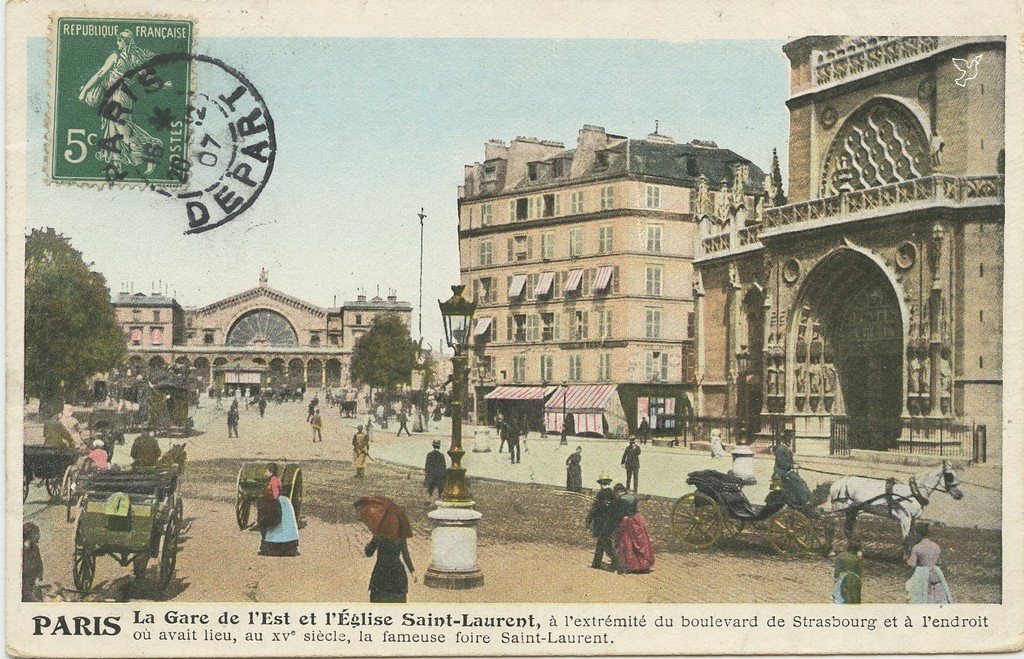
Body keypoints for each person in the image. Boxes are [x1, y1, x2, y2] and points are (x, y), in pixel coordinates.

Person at [77, 31, 166, 175]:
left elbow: (100, 74)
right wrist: (162, 85)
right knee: (113, 128)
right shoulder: (135, 58)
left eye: (119, 40)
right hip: (118, 96)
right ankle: (117, 164)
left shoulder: (115, 56)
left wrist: (84, 91)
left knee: (122, 128)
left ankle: (150, 150)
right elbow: (147, 78)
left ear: (124, 41)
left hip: (119, 94)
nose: (117, 43)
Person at [256, 463, 300, 556]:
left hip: (278, 503)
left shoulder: (274, 480)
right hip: (281, 502)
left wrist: (267, 498)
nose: (265, 473)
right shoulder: (275, 479)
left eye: (267, 471)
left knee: (277, 523)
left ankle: (276, 547)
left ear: (271, 472)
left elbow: (275, 495)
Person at [906, 524, 952, 604]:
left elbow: (912, 565)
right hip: (936, 573)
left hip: (922, 575)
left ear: (917, 534)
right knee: (937, 597)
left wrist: (907, 560)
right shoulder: (936, 546)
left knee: (918, 597)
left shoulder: (917, 547)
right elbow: (939, 562)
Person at [613, 483, 654, 573]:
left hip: (626, 521)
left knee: (627, 544)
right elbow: (635, 510)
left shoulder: (618, 498)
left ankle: (630, 566)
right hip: (637, 520)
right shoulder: (633, 496)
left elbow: (619, 513)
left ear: (617, 491)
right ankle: (644, 565)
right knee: (640, 543)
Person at [586, 473, 622, 572]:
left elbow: (595, 508)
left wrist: (588, 520)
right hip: (610, 524)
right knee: (600, 543)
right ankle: (596, 563)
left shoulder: (601, 494)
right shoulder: (613, 495)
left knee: (607, 545)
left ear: (601, 483)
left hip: (602, 524)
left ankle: (619, 565)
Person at [365, 535, 415, 603]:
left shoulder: (379, 533)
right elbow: (405, 554)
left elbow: (369, 553)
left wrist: (368, 545)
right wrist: (412, 571)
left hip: (380, 574)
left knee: (378, 604)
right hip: (397, 576)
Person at [772, 434, 811, 506]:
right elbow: (782, 463)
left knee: (802, 482)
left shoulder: (787, 449)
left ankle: (808, 500)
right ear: (782, 440)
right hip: (781, 473)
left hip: (787, 472)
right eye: (787, 440)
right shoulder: (780, 450)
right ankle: (804, 502)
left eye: (789, 439)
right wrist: (793, 466)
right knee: (798, 482)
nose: (789, 441)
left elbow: (791, 461)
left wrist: (796, 464)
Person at [833, 540, 863, 604]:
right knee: (855, 597)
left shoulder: (841, 556)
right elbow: (859, 572)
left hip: (842, 578)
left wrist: (835, 579)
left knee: (840, 597)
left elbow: (837, 570)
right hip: (855, 579)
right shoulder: (857, 559)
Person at [22, 522, 44, 602]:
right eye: (35, 534)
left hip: (34, 583)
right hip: (24, 586)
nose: (38, 537)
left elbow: (40, 565)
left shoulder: (35, 548)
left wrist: (38, 578)